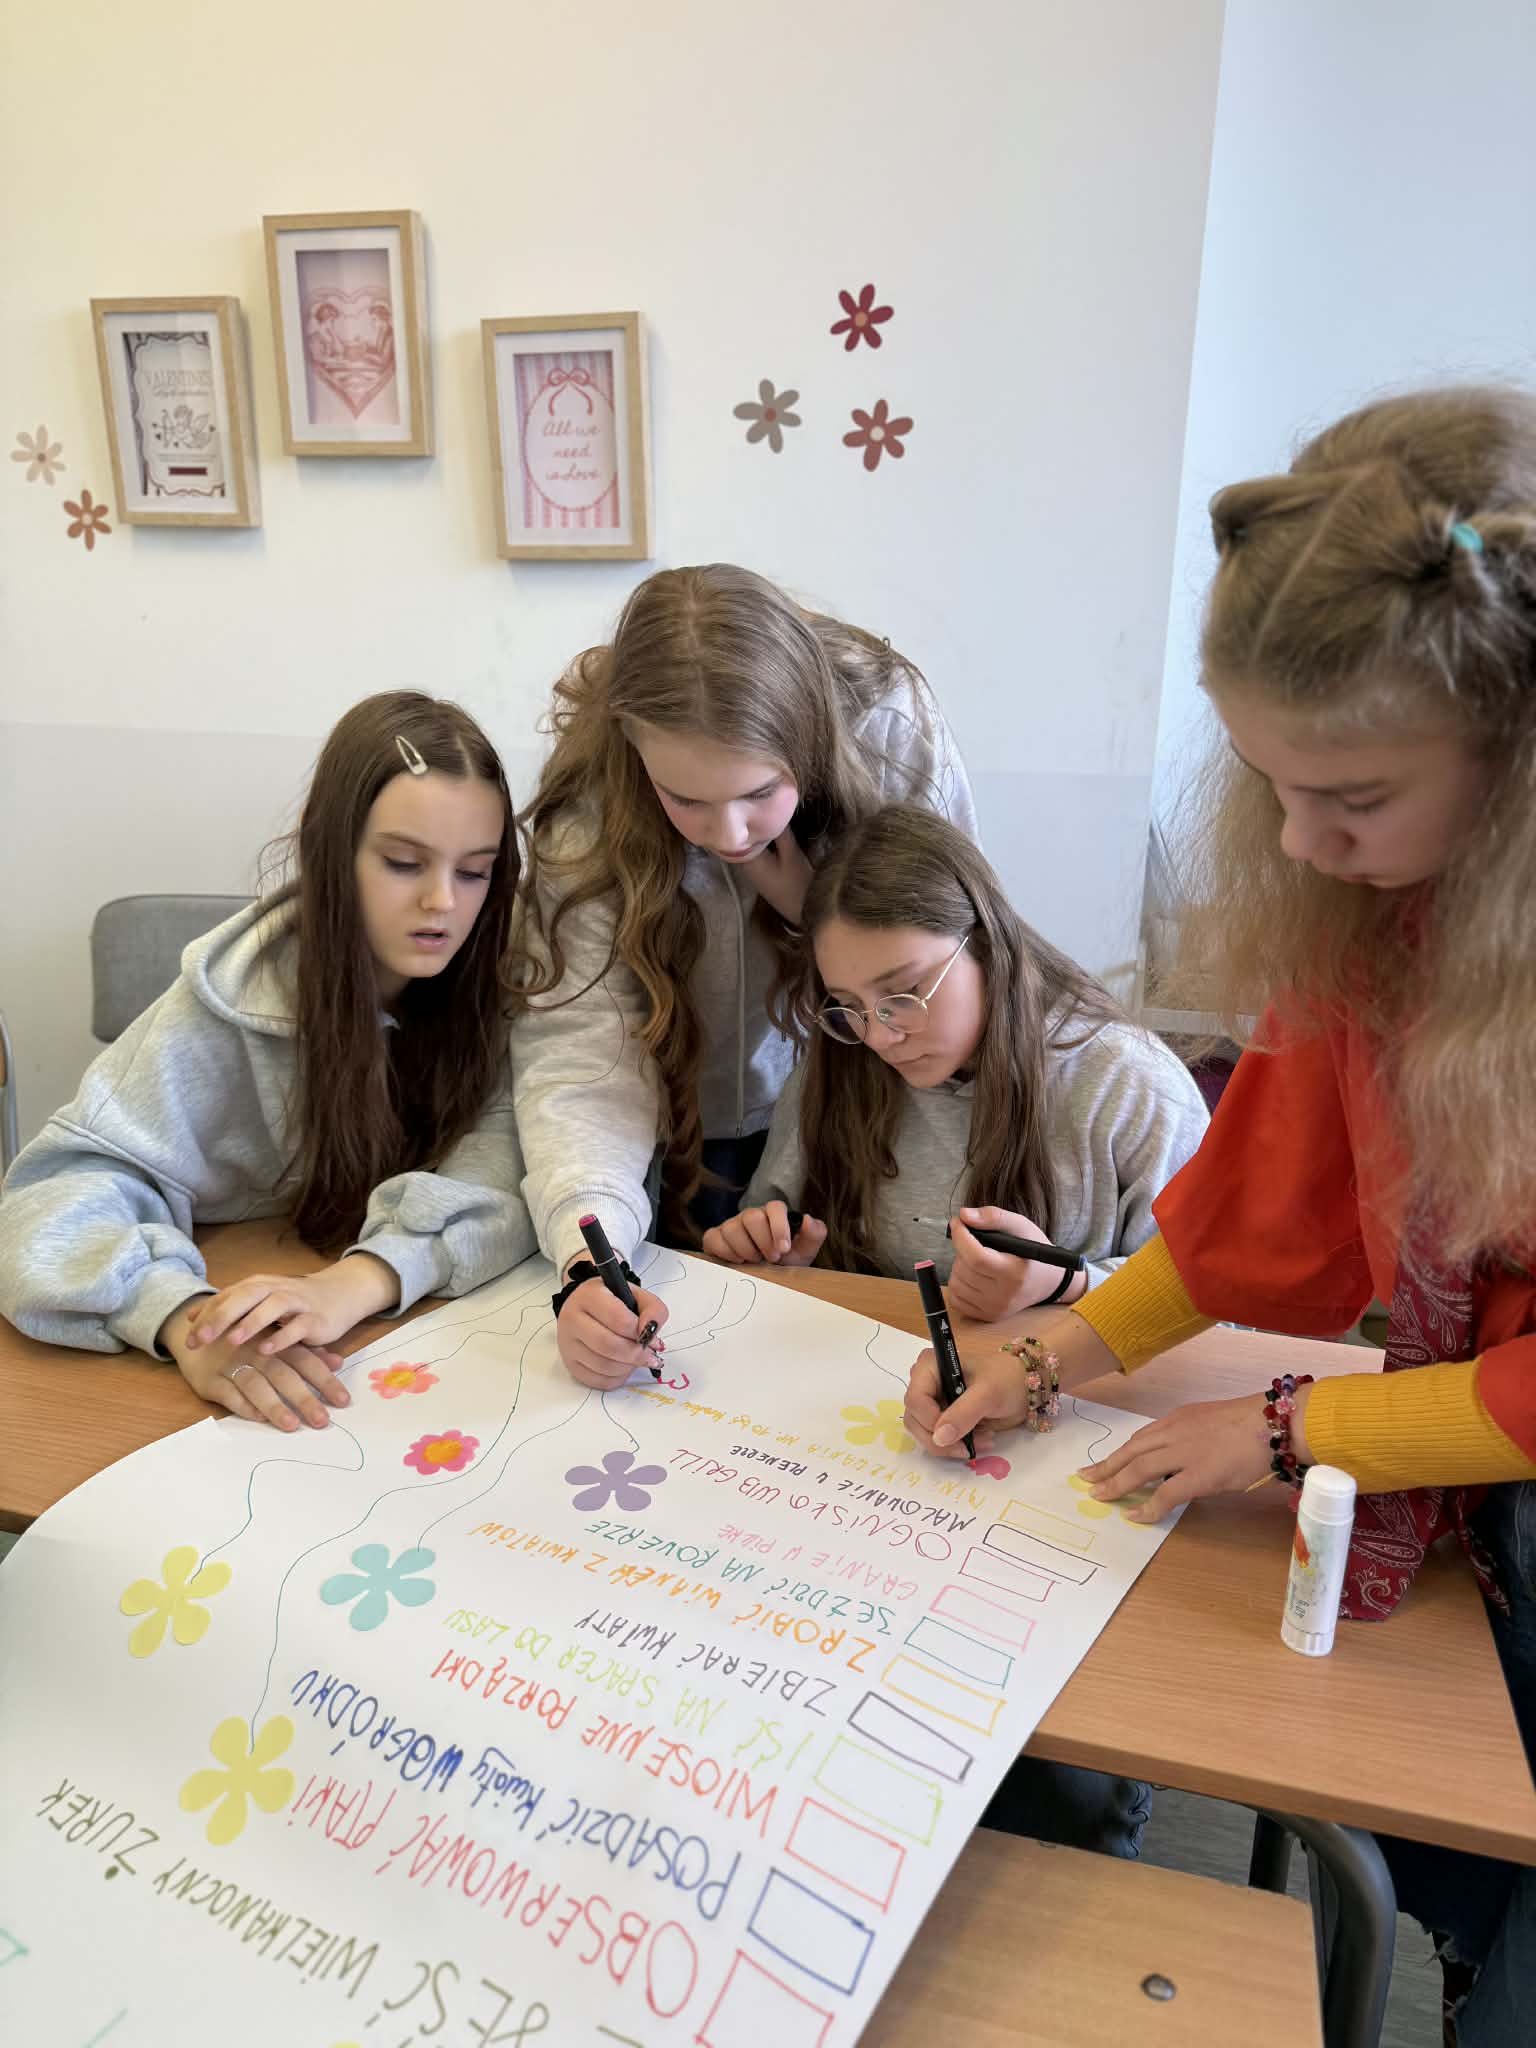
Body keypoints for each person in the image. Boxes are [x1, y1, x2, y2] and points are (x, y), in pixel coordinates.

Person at [904, 386, 1536, 2043]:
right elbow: (1256, 1209)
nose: (1297, 844)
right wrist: (1050, 1353)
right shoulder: (1382, 903)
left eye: (1351, 795)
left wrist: (1288, 1427)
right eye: (1267, 782)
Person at [0, 691, 532, 1431]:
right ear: (331, 851)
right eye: (404, 863)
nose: (442, 901)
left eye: (474, 872)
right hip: (225, 1335)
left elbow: (512, 1168)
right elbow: (46, 1203)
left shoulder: (508, 986)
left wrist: (359, 1281)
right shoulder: (228, 1000)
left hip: (404, 1348)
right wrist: (184, 1319)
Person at [512, 563, 977, 1387]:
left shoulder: (888, 725)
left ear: (809, 738)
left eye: (761, 791)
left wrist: (814, 914)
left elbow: (946, 966)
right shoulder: (590, 803)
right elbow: (582, 1053)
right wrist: (589, 1260)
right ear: (633, 747)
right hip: (664, 1136)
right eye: (684, 800)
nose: (730, 835)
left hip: (853, 1118)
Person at [702, 805, 1207, 1312]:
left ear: (986, 945)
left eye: (904, 993)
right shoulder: (836, 1062)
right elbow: (769, 1225)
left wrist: (1068, 1285)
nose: (879, 1038)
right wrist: (772, 1254)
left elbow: (1220, 1310)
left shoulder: (1129, 1082)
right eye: (850, 1005)